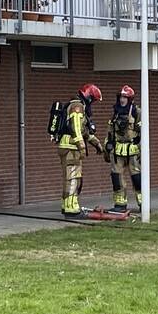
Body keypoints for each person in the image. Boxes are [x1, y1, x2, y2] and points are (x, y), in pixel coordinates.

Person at [58, 83, 104, 218]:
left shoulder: (76, 106)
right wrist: (82, 147)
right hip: (71, 147)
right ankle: (71, 209)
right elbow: (76, 128)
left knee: (71, 178)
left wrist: (97, 144)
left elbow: (85, 131)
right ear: (89, 97)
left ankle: (67, 205)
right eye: (93, 100)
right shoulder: (77, 107)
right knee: (73, 178)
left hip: (70, 146)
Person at [104, 85, 142, 212]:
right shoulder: (115, 112)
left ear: (130, 99)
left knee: (137, 177)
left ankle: (143, 202)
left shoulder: (137, 112)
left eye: (125, 97)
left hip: (133, 150)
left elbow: (144, 131)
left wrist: (140, 144)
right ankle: (120, 204)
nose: (122, 99)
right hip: (117, 149)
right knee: (116, 176)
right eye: (121, 96)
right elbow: (110, 130)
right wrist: (107, 144)